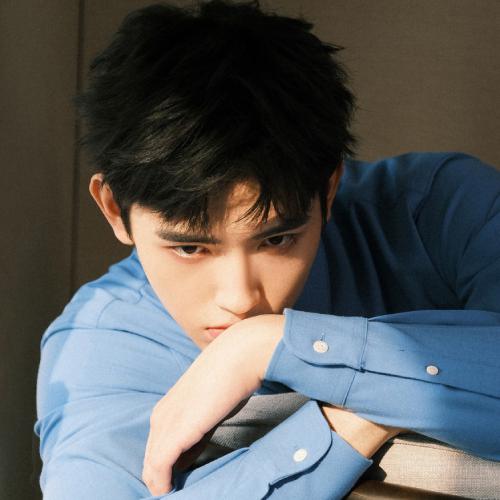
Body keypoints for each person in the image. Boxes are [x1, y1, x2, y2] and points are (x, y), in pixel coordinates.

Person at [34, 1, 500, 498]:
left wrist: (270, 345)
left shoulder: (438, 208)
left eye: (276, 239)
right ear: (114, 209)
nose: (239, 298)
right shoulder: (100, 349)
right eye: (189, 248)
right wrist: (359, 416)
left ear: (328, 190)